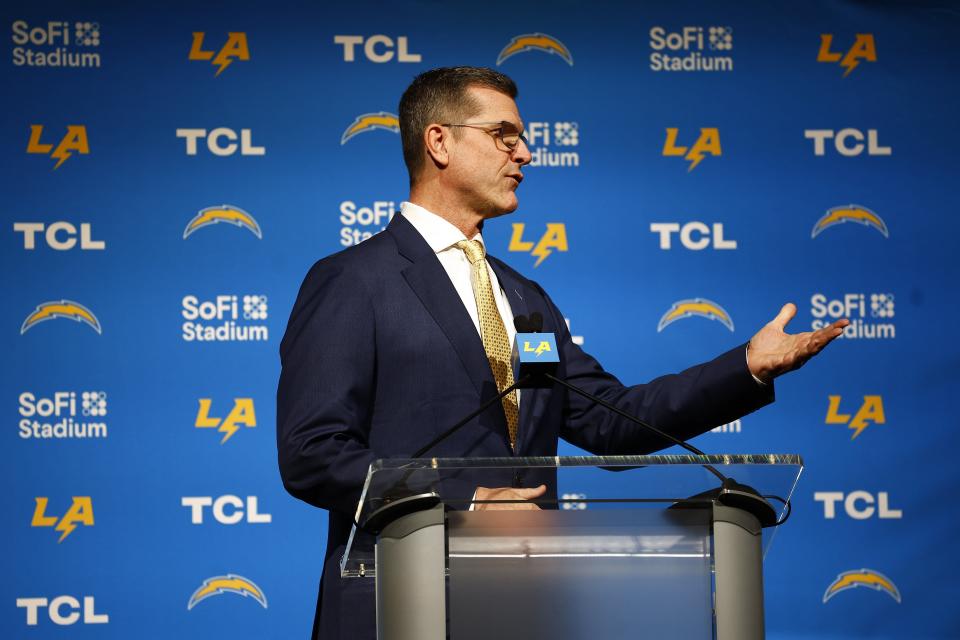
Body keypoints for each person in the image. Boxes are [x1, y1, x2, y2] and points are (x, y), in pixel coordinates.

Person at [277, 66, 848, 640]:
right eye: (504, 135)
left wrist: (745, 366)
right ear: (440, 141)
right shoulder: (353, 280)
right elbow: (312, 452)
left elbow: (611, 420)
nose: (524, 153)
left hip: (523, 609)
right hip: (397, 603)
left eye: (520, 137)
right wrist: (470, 501)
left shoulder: (525, 296)